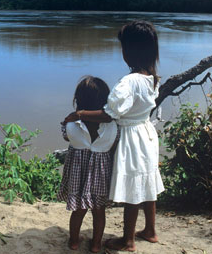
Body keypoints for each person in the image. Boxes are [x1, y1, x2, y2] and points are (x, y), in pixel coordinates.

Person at [63, 20, 165, 252]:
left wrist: (79, 113)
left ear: (129, 51)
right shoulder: (152, 77)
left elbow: (109, 114)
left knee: (133, 188)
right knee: (146, 181)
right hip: (147, 132)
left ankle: (127, 240)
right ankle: (150, 230)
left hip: (131, 136)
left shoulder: (128, 82)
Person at [58, 76, 120, 253]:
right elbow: (114, 144)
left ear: (79, 100)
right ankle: (95, 245)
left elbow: (65, 136)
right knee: (99, 211)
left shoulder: (70, 124)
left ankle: (74, 242)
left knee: (78, 210)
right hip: (101, 176)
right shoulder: (114, 127)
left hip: (78, 176)